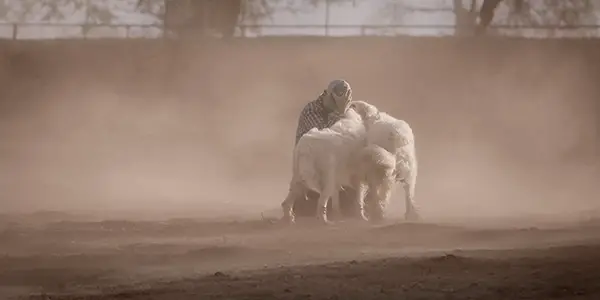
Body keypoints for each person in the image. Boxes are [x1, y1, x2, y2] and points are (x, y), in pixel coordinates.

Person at [283, 79, 360, 221]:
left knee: (353, 205)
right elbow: (324, 137)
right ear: (327, 95)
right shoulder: (312, 110)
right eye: (335, 100)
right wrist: (341, 113)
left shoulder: (347, 112)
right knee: (307, 208)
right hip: (312, 170)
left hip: (334, 171)